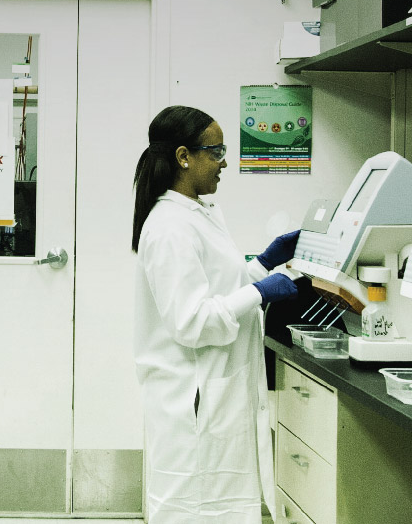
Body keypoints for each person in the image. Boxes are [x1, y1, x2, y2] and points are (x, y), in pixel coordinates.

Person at [130, 105, 306, 524]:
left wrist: (262, 265)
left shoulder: (200, 213)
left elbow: (217, 288)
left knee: (220, 508)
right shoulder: (171, 225)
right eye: (216, 151)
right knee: (194, 510)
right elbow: (192, 321)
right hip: (194, 400)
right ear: (183, 157)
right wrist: (259, 293)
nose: (224, 161)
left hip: (214, 393)